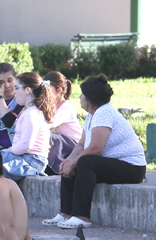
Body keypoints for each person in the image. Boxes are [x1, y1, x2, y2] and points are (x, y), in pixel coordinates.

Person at [43, 75, 146, 229]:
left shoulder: (104, 112)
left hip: (132, 168)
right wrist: (68, 161)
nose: (80, 97)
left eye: (82, 94)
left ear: (90, 98)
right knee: (73, 160)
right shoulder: (92, 116)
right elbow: (81, 144)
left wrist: (74, 162)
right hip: (114, 164)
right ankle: (65, 213)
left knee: (85, 161)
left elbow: (95, 149)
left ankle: (82, 217)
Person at [0, 72, 54, 181]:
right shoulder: (29, 111)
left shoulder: (31, 114)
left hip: (32, 162)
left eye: (17, 88)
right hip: (25, 158)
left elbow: (25, 145)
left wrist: (8, 151)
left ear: (28, 90)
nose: (14, 92)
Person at [43, 71, 82, 175]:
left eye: (48, 91)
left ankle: (51, 167)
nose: (44, 94)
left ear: (58, 90)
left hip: (75, 145)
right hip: (64, 144)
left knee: (50, 137)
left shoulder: (66, 107)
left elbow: (49, 124)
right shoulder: (53, 106)